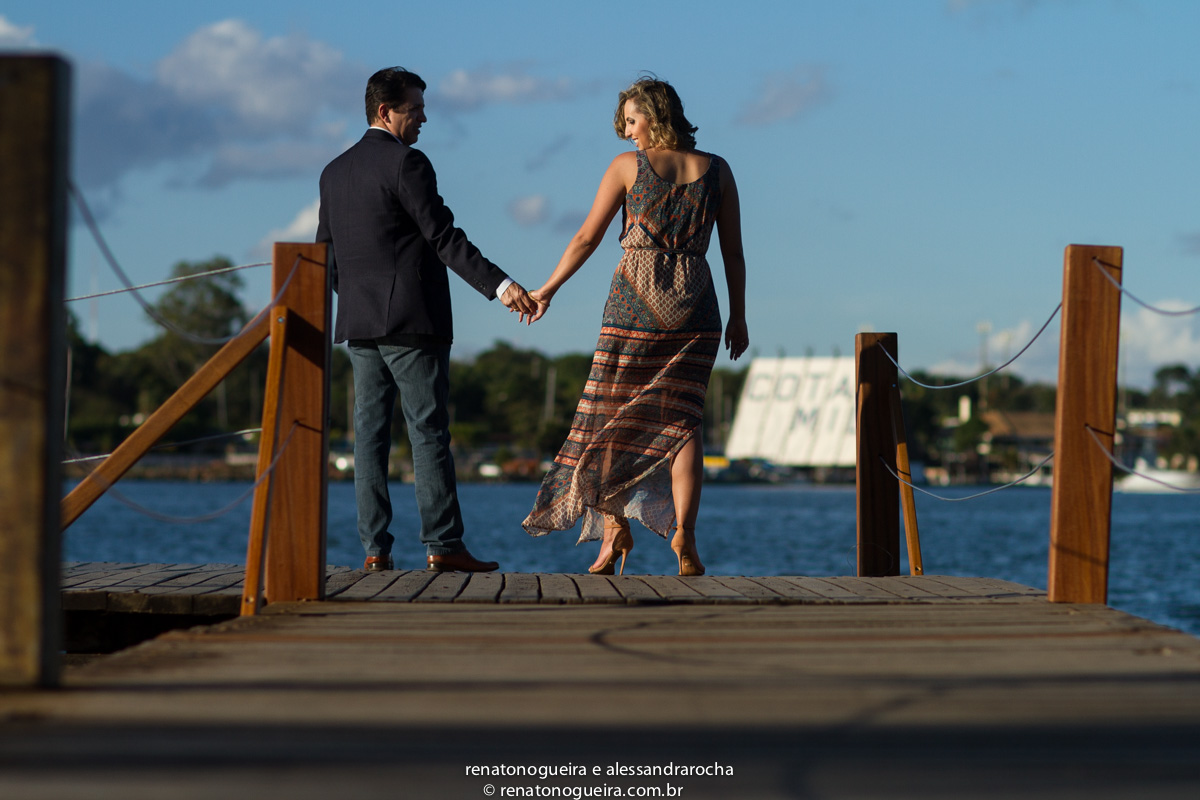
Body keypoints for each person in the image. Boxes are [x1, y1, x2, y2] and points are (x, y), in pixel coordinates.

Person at [521, 76, 749, 576]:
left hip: (635, 303)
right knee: (684, 422)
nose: (627, 134)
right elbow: (732, 251)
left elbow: (586, 238)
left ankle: (614, 530)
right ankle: (684, 535)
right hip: (697, 306)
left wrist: (548, 289)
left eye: (631, 121)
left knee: (609, 416)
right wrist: (738, 315)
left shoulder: (629, 168)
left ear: (655, 115)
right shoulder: (720, 170)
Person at [317, 66, 538, 573]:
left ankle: (376, 551)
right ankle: (443, 545)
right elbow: (443, 237)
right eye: (414, 109)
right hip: (414, 321)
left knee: (368, 438)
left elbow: (325, 254)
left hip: (358, 323)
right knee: (427, 432)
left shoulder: (334, 172)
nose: (422, 118)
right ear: (384, 112)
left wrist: (354, 298)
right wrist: (501, 286)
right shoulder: (408, 163)